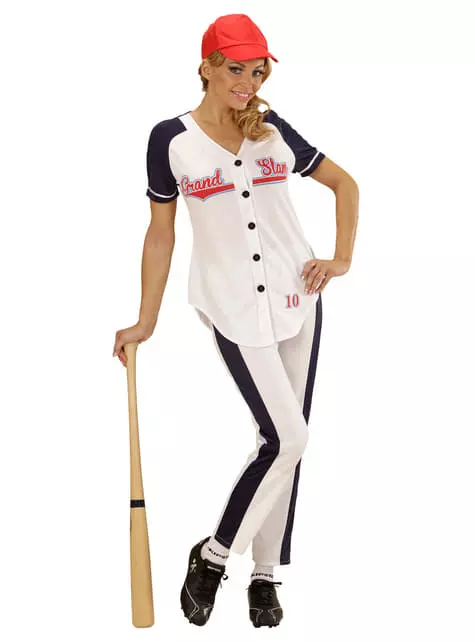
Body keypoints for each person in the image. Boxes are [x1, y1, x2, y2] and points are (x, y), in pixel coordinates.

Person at [113, 12, 358, 629]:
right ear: (207, 66)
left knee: (284, 445)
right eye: (236, 69)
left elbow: (344, 183)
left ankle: (264, 574)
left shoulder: (271, 131)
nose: (248, 83)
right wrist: (145, 320)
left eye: (257, 72)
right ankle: (214, 555)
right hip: (229, 304)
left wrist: (341, 258)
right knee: (287, 439)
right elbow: (161, 234)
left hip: (298, 298)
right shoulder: (170, 139)